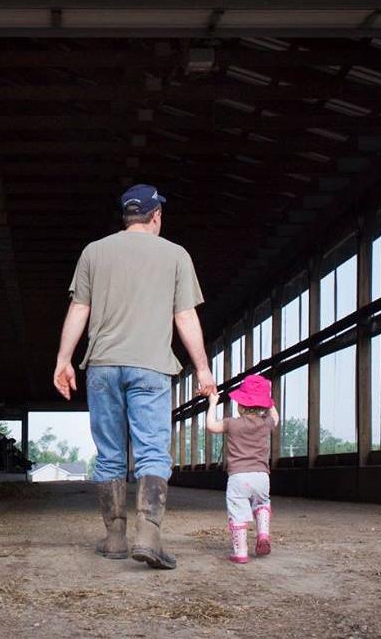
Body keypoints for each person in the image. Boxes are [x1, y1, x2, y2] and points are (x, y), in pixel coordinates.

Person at [53, 184, 215, 571]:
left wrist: (63, 359)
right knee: (152, 452)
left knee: (109, 454)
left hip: (103, 366)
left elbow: (80, 308)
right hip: (151, 366)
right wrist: (203, 368)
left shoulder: (94, 251)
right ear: (156, 215)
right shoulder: (176, 255)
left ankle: (114, 538)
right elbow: (185, 317)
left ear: (126, 216)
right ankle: (149, 535)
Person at [203, 374, 277, 564]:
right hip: (262, 476)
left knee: (237, 513)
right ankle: (263, 534)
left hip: (239, 477)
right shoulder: (266, 423)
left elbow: (211, 426)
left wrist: (212, 402)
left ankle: (241, 552)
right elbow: (275, 417)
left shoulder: (232, 424)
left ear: (240, 405)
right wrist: (270, 403)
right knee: (262, 503)